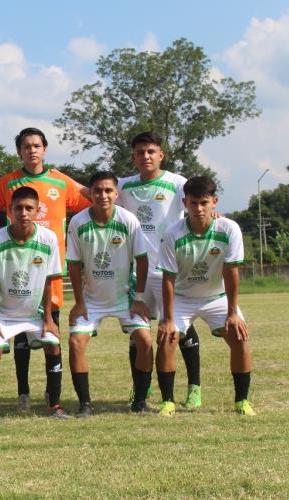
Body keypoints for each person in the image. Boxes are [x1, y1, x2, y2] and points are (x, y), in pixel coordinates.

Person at [0, 127, 91, 412]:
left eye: (36, 145)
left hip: (46, 275)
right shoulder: (8, 183)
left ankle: (50, 395)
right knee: (19, 342)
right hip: (15, 276)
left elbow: (96, 201)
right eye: (26, 146)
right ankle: (23, 393)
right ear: (19, 151)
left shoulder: (60, 181)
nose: (31, 150)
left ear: (44, 149)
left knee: (49, 332)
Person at [155, 176, 255, 417]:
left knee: (239, 337)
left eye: (203, 202)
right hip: (181, 297)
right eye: (192, 203)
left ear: (214, 202)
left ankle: (242, 401)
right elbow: (167, 279)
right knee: (167, 338)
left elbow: (231, 273)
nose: (198, 209)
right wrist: (168, 319)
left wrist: (232, 313)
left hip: (216, 297)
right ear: (184, 203)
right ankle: (168, 402)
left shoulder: (228, 228)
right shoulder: (173, 233)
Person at [117, 132, 202, 408]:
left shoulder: (178, 183)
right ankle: (140, 388)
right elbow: (91, 192)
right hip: (137, 273)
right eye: (140, 152)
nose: (146, 156)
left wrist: (216, 215)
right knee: (138, 334)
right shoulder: (123, 187)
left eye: (151, 151)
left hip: (170, 271)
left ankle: (194, 388)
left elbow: (201, 201)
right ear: (133, 158)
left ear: (161, 155)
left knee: (179, 329)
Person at [66, 171, 153, 417]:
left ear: (116, 193)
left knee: (145, 341)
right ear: (90, 193)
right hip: (91, 300)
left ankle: (139, 401)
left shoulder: (128, 220)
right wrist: (79, 303)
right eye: (97, 190)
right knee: (75, 342)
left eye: (108, 191)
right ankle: (85, 404)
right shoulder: (78, 222)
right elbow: (73, 264)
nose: (103, 195)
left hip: (125, 298)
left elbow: (142, 260)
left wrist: (138, 298)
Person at [0, 187, 65, 423]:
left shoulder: (48, 238)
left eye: (29, 208)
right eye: (18, 208)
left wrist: (48, 319)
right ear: (10, 211)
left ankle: (55, 404)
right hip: (5, 315)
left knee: (53, 345)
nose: (24, 213)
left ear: (38, 211)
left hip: (34, 314)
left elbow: (49, 280)